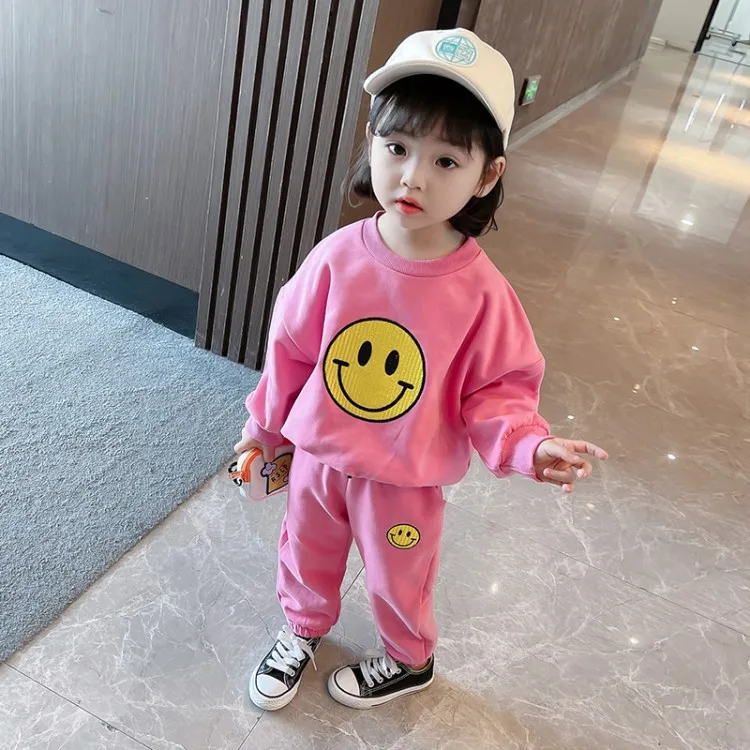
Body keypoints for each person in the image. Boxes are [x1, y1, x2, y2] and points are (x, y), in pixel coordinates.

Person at [234, 28, 608, 712]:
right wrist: (265, 431)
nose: (413, 176)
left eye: (446, 160)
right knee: (305, 550)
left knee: (399, 574)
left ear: (487, 175)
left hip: (405, 481)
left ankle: (410, 659)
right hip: (320, 458)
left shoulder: (482, 293)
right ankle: (302, 627)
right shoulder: (337, 258)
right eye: (398, 148)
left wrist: (529, 445)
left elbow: (499, 388)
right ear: (371, 139)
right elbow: (289, 350)